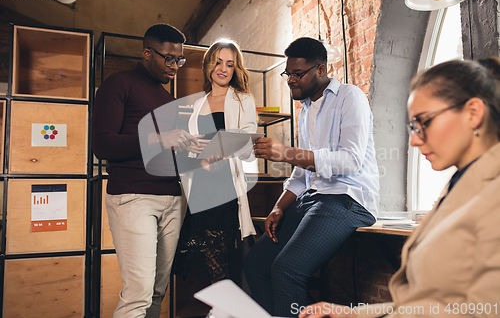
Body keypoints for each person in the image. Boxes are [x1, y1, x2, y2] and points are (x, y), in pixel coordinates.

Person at [299, 58, 500, 318]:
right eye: (412, 127)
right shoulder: (460, 182)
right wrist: (352, 315)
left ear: (473, 113)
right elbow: (426, 301)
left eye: (423, 122)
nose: (414, 140)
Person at [243, 37, 380, 317]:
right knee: (255, 265)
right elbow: (302, 171)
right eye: (288, 74)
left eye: (297, 74)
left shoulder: (350, 97)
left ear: (320, 69)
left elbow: (350, 160)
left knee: (286, 270)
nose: (290, 80)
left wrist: (286, 152)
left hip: (347, 199)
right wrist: (279, 206)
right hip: (312, 200)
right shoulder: (306, 110)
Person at [92, 23, 195, 318]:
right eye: (168, 58)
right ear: (147, 53)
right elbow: (102, 144)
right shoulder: (118, 83)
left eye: (180, 59)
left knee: (156, 293)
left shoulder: (168, 100)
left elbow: (167, 152)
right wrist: (161, 139)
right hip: (133, 197)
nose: (175, 66)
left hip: (173, 199)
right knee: (138, 294)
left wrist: (192, 148)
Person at [172, 39, 257, 282]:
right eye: (218, 62)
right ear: (209, 65)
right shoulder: (197, 105)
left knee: (220, 264)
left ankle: (223, 309)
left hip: (225, 190)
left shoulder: (243, 101)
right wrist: (197, 155)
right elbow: (191, 151)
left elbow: (249, 146)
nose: (223, 68)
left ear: (235, 69)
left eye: (230, 64)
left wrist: (221, 151)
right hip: (199, 190)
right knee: (200, 264)